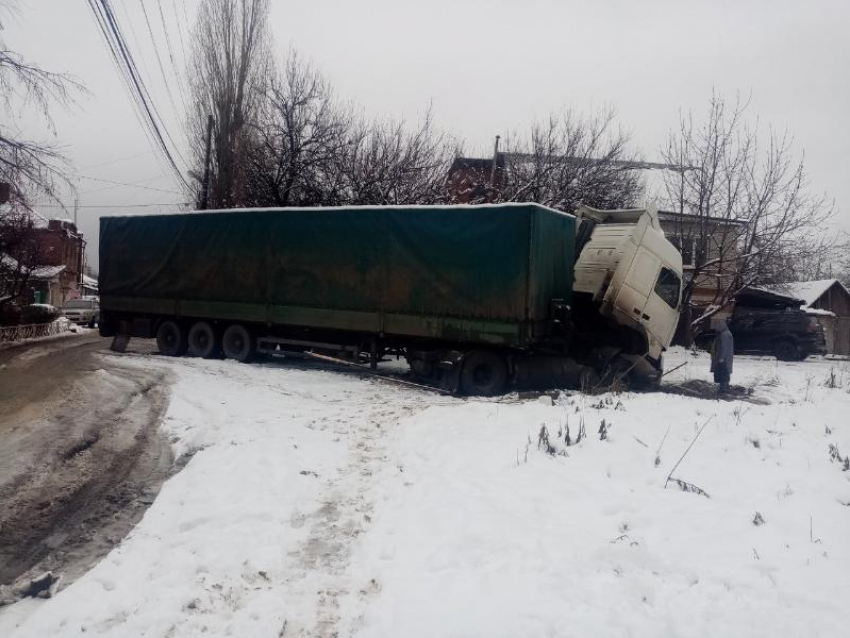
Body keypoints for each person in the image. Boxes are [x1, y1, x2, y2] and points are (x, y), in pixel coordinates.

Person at [711, 318, 734, 393]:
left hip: (724, 358)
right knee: (725, 371)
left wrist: (722, 357)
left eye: (717, 326)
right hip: (726, 357)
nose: (716, 328)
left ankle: (723, 389)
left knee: (723, 372)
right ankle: (725, 387)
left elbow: (724, 347)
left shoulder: (724, 334)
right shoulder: (726, 333)